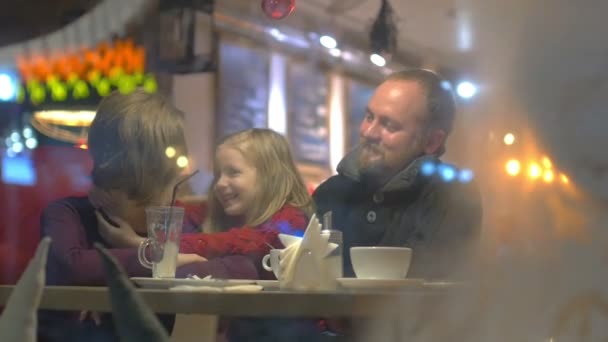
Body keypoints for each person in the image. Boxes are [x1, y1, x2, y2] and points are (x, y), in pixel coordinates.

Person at [38, 90, 257, 342]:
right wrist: (161, 258)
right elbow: (72, 266)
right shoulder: (68, 215)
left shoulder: (174, 221)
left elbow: (243, 268)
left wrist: (141, 257)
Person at [313, 69, 483, 282]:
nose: (368, 132)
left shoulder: (451, 195)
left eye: (389, 125)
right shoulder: (330, 193)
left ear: (431, 141)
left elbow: (425, 290)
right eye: (369, 117)